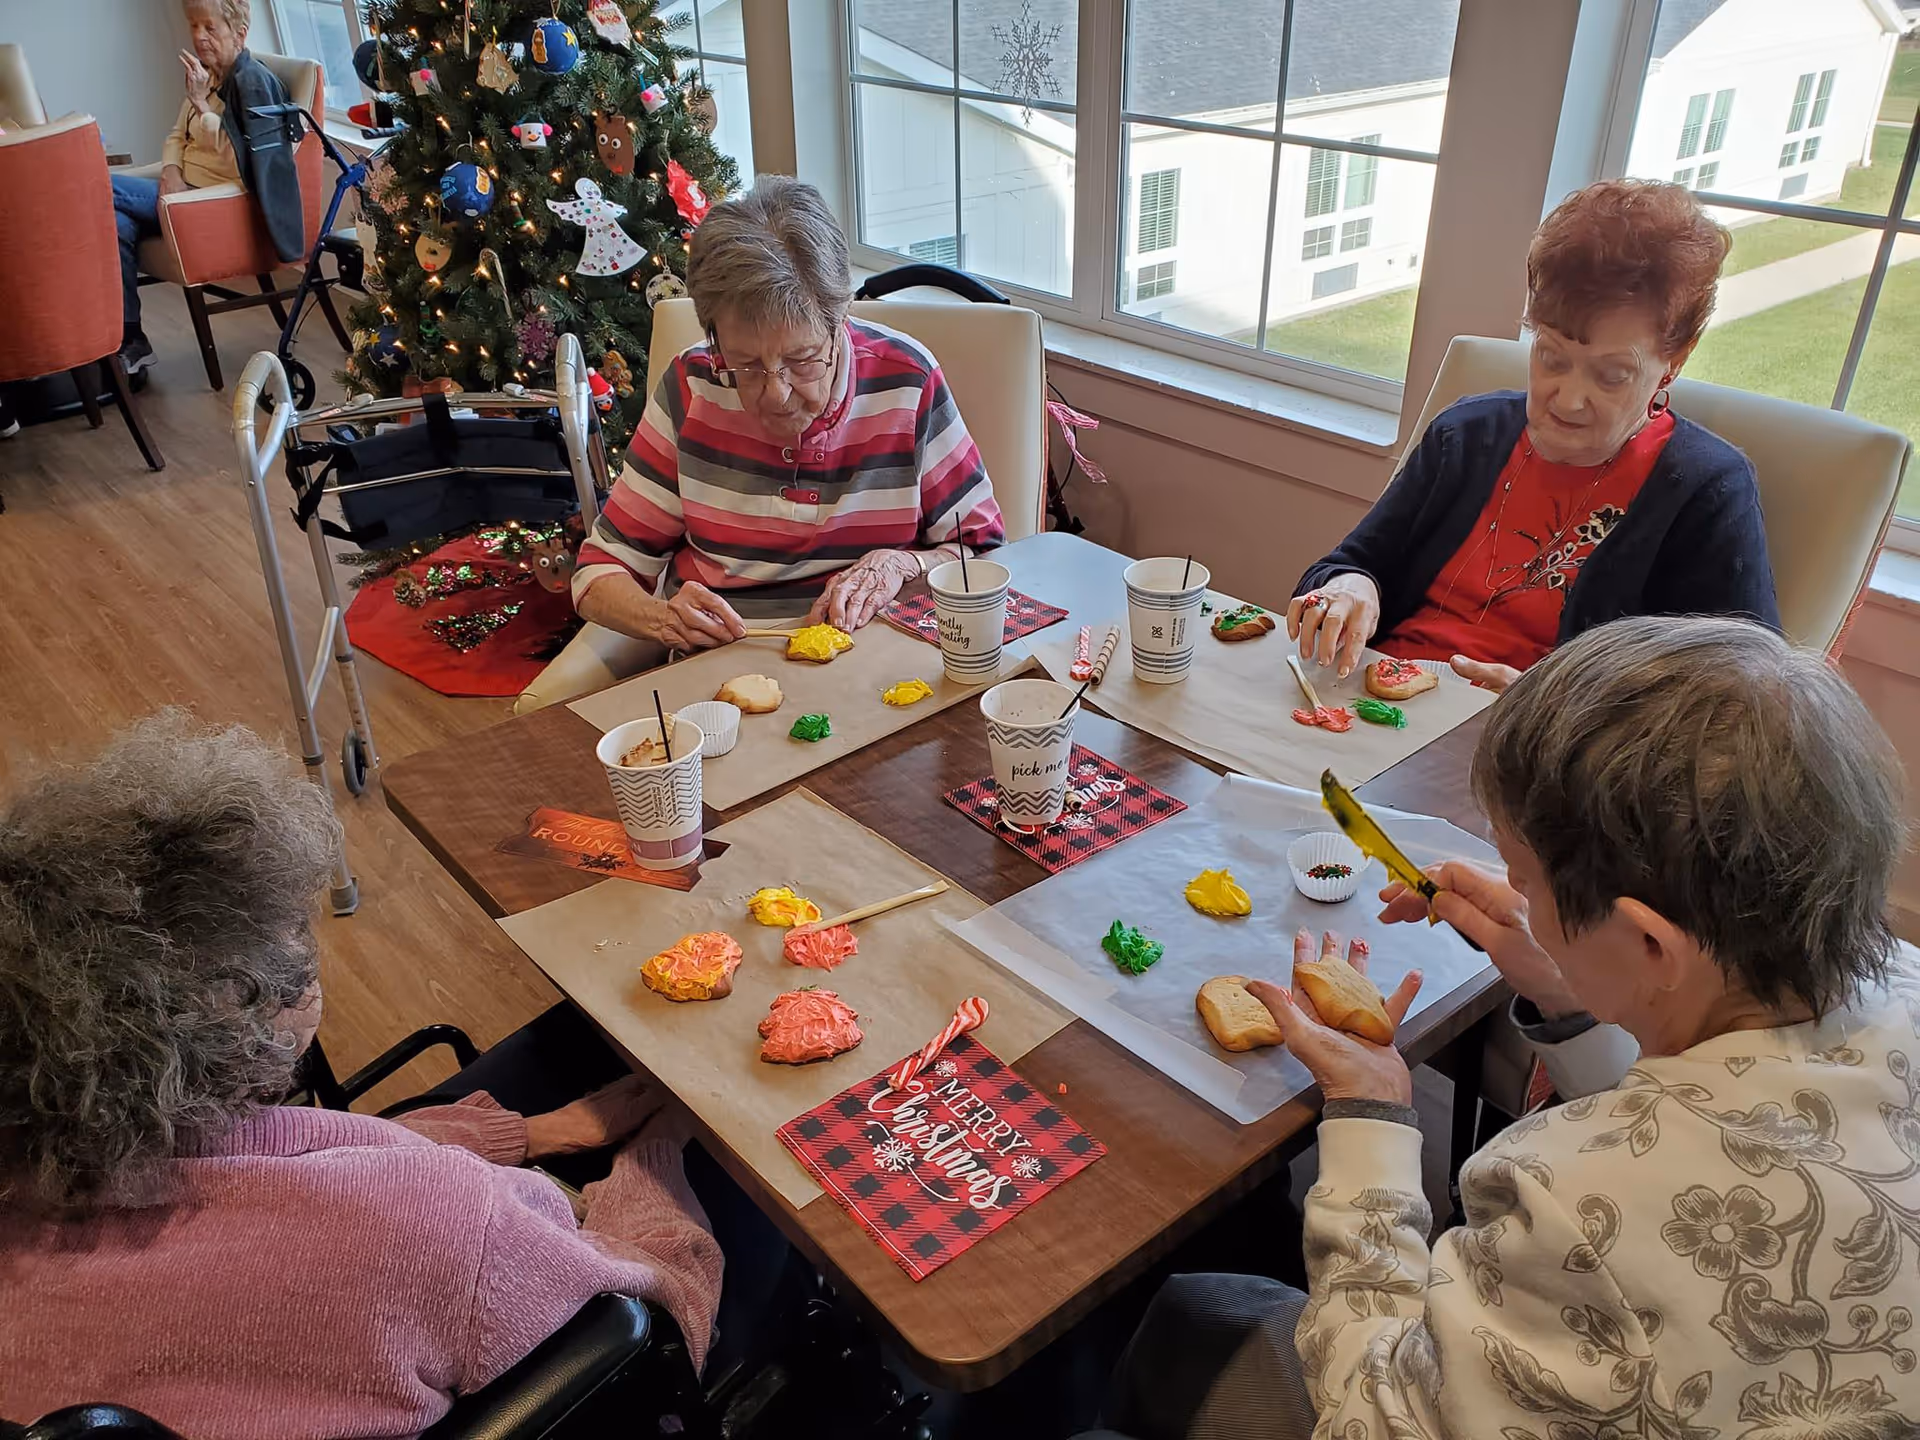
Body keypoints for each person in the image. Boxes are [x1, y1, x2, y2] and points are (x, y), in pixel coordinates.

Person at [1080, 615, 1918, 1440]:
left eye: (1523, 878)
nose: (1512, 896)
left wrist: (1373, 1121)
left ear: (1652, 943)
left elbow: (1376, 1420)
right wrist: (1581, 991)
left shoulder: (1574, 1208)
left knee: (1188, 1320)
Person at [0, 713, 771, 1436]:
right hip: (595, 1366)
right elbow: (656, 1321)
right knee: (767, 1188)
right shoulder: (431, 1222)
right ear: (255, 1016)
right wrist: (658, 1151)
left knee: (564, 1048)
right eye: (294, 941)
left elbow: (288, 1160)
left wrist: (536, 1132)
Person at [1288, 180, 1779, 693]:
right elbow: (1348, 565)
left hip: (1537, 754)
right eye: (1551, 357)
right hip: (1367, 702)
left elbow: (1742, 693)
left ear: (1674, 361)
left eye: (1611, 375)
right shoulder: (1466, 434)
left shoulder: (1706, 488)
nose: (1567, 399)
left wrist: (1547, 708)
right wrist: (1348, 587)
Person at [534, 175, 1004, 711]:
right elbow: (599, 571)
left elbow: (980, 549)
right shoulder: (693, 388)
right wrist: (664, 619)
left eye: (802, 360)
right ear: (715, 339)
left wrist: (898, 565)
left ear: (840, 321)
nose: (776, 394)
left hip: (880, 678)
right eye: (748, 365)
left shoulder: (907, 381)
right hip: (721, 684)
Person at [109, 0, 304, 375]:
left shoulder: (252, 84)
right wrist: (171, 171)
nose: (198, 37)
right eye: (194, 26)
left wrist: (201, 104)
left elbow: (243, 165)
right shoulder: (209, 75)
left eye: (209, 28)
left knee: (96, 188)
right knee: (115, 223)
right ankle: (132, 339)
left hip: (212, 207)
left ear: (240, 34)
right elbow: (174, 136)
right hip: (181, 194)